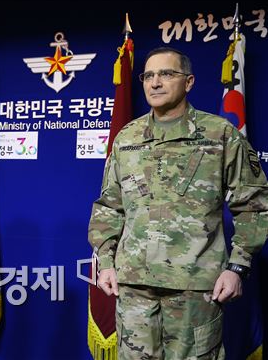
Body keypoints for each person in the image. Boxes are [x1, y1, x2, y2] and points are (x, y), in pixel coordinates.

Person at [88, 47, 268, 359]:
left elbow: (254, 203)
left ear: (189, 82)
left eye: (167, 74)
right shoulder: (127, 137)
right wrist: (105, 262)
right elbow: (109, 206)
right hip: (134, 290)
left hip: (196, 291)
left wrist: (238, 266)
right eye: (148, 75)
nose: (155, 82)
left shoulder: (219, 134)